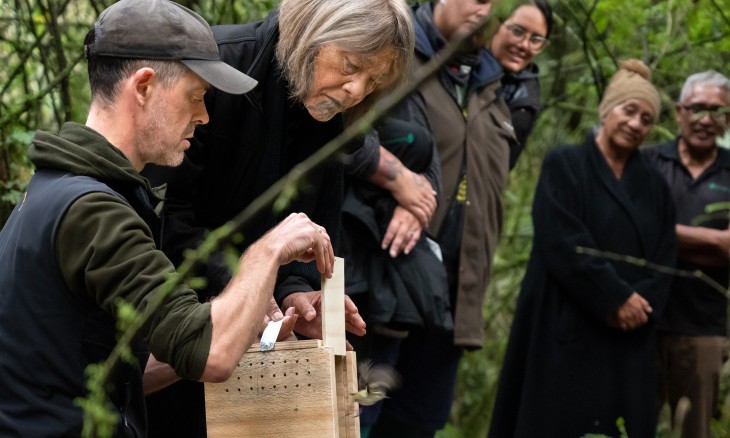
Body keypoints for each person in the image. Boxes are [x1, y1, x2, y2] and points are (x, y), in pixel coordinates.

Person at [0, 0, 341, 436]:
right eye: (196, 96)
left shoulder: (58, 188)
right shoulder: (92, 210)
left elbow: (124, 368)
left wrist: (244, 320)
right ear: (143, 87)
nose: (204, 116)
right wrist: (268, 250)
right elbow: (213, 354)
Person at [140, 0, 419, 436]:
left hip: (250, 359)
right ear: (310, 35)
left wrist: (293, 292)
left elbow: (310, 229)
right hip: (165, 328)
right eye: (350, 65)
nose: (356, 91)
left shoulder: (335, 117)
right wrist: (248, 286)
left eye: (373, 80)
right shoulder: (217, 66)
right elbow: (166, 219)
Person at [348, 0, 523, 436]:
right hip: (382, 285)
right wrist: (405, 186)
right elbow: (340, 134)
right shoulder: (393, 50)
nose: (486, 9)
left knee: (420, 423)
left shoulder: (493, 85)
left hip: (451, 298)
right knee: (357, 415)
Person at [489, 59, 676, 438]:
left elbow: (665, 256)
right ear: (607, 110)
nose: (636, 123)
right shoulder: (565, 164)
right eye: (629, 111)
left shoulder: (655, 185)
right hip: (565, 323)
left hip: (628, 332)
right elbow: (561, 241)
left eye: (646, 118)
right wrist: (614, 298)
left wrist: (639, 304)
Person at [644, 70, 730, 438]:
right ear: (679, 111)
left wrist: (663, 237)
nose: (705, 119)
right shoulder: (647, 162)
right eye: (696, 108)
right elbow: (633, 234)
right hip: (640, 320)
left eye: (715, 110)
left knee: (695, 430)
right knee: (627, 424)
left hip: (703, 329)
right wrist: (713, 242)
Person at [488, 0, 553, 169]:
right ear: (495, 23)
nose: (525, 45)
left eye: (536, 39)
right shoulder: (458, 63)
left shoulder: (525, 102)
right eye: (517, 31)